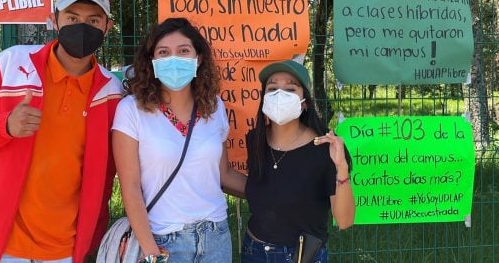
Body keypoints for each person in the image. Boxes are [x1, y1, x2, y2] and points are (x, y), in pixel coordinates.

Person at [0, 0, 124, 263]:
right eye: (72, 18)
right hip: (1, 243)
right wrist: (5, 125)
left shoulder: (112, 92)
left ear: (107, 26)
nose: (82, 27)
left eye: (93, 20)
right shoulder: (11, 64)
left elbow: (110, 171)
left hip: (65, 247)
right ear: (54, 20)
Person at [112, 17, 246, 262]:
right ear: (152, 62)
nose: (173, 59)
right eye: (163, 52)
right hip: (162, 240)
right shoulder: (131, 110)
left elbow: (224, 174)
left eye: (184, 51)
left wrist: (274, 193)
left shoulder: (214, 107)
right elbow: (130, 188)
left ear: (199, 58)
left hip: (215, 237)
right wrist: (152, 252)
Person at [241, 60, 355, 263]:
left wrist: (341, 167)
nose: (279, 94)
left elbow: (345, 221)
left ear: (305, 102)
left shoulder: (324, 149)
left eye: (290, 89)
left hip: (301, 256)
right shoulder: (255, 140)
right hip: (253, 251)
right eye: (272, 88)